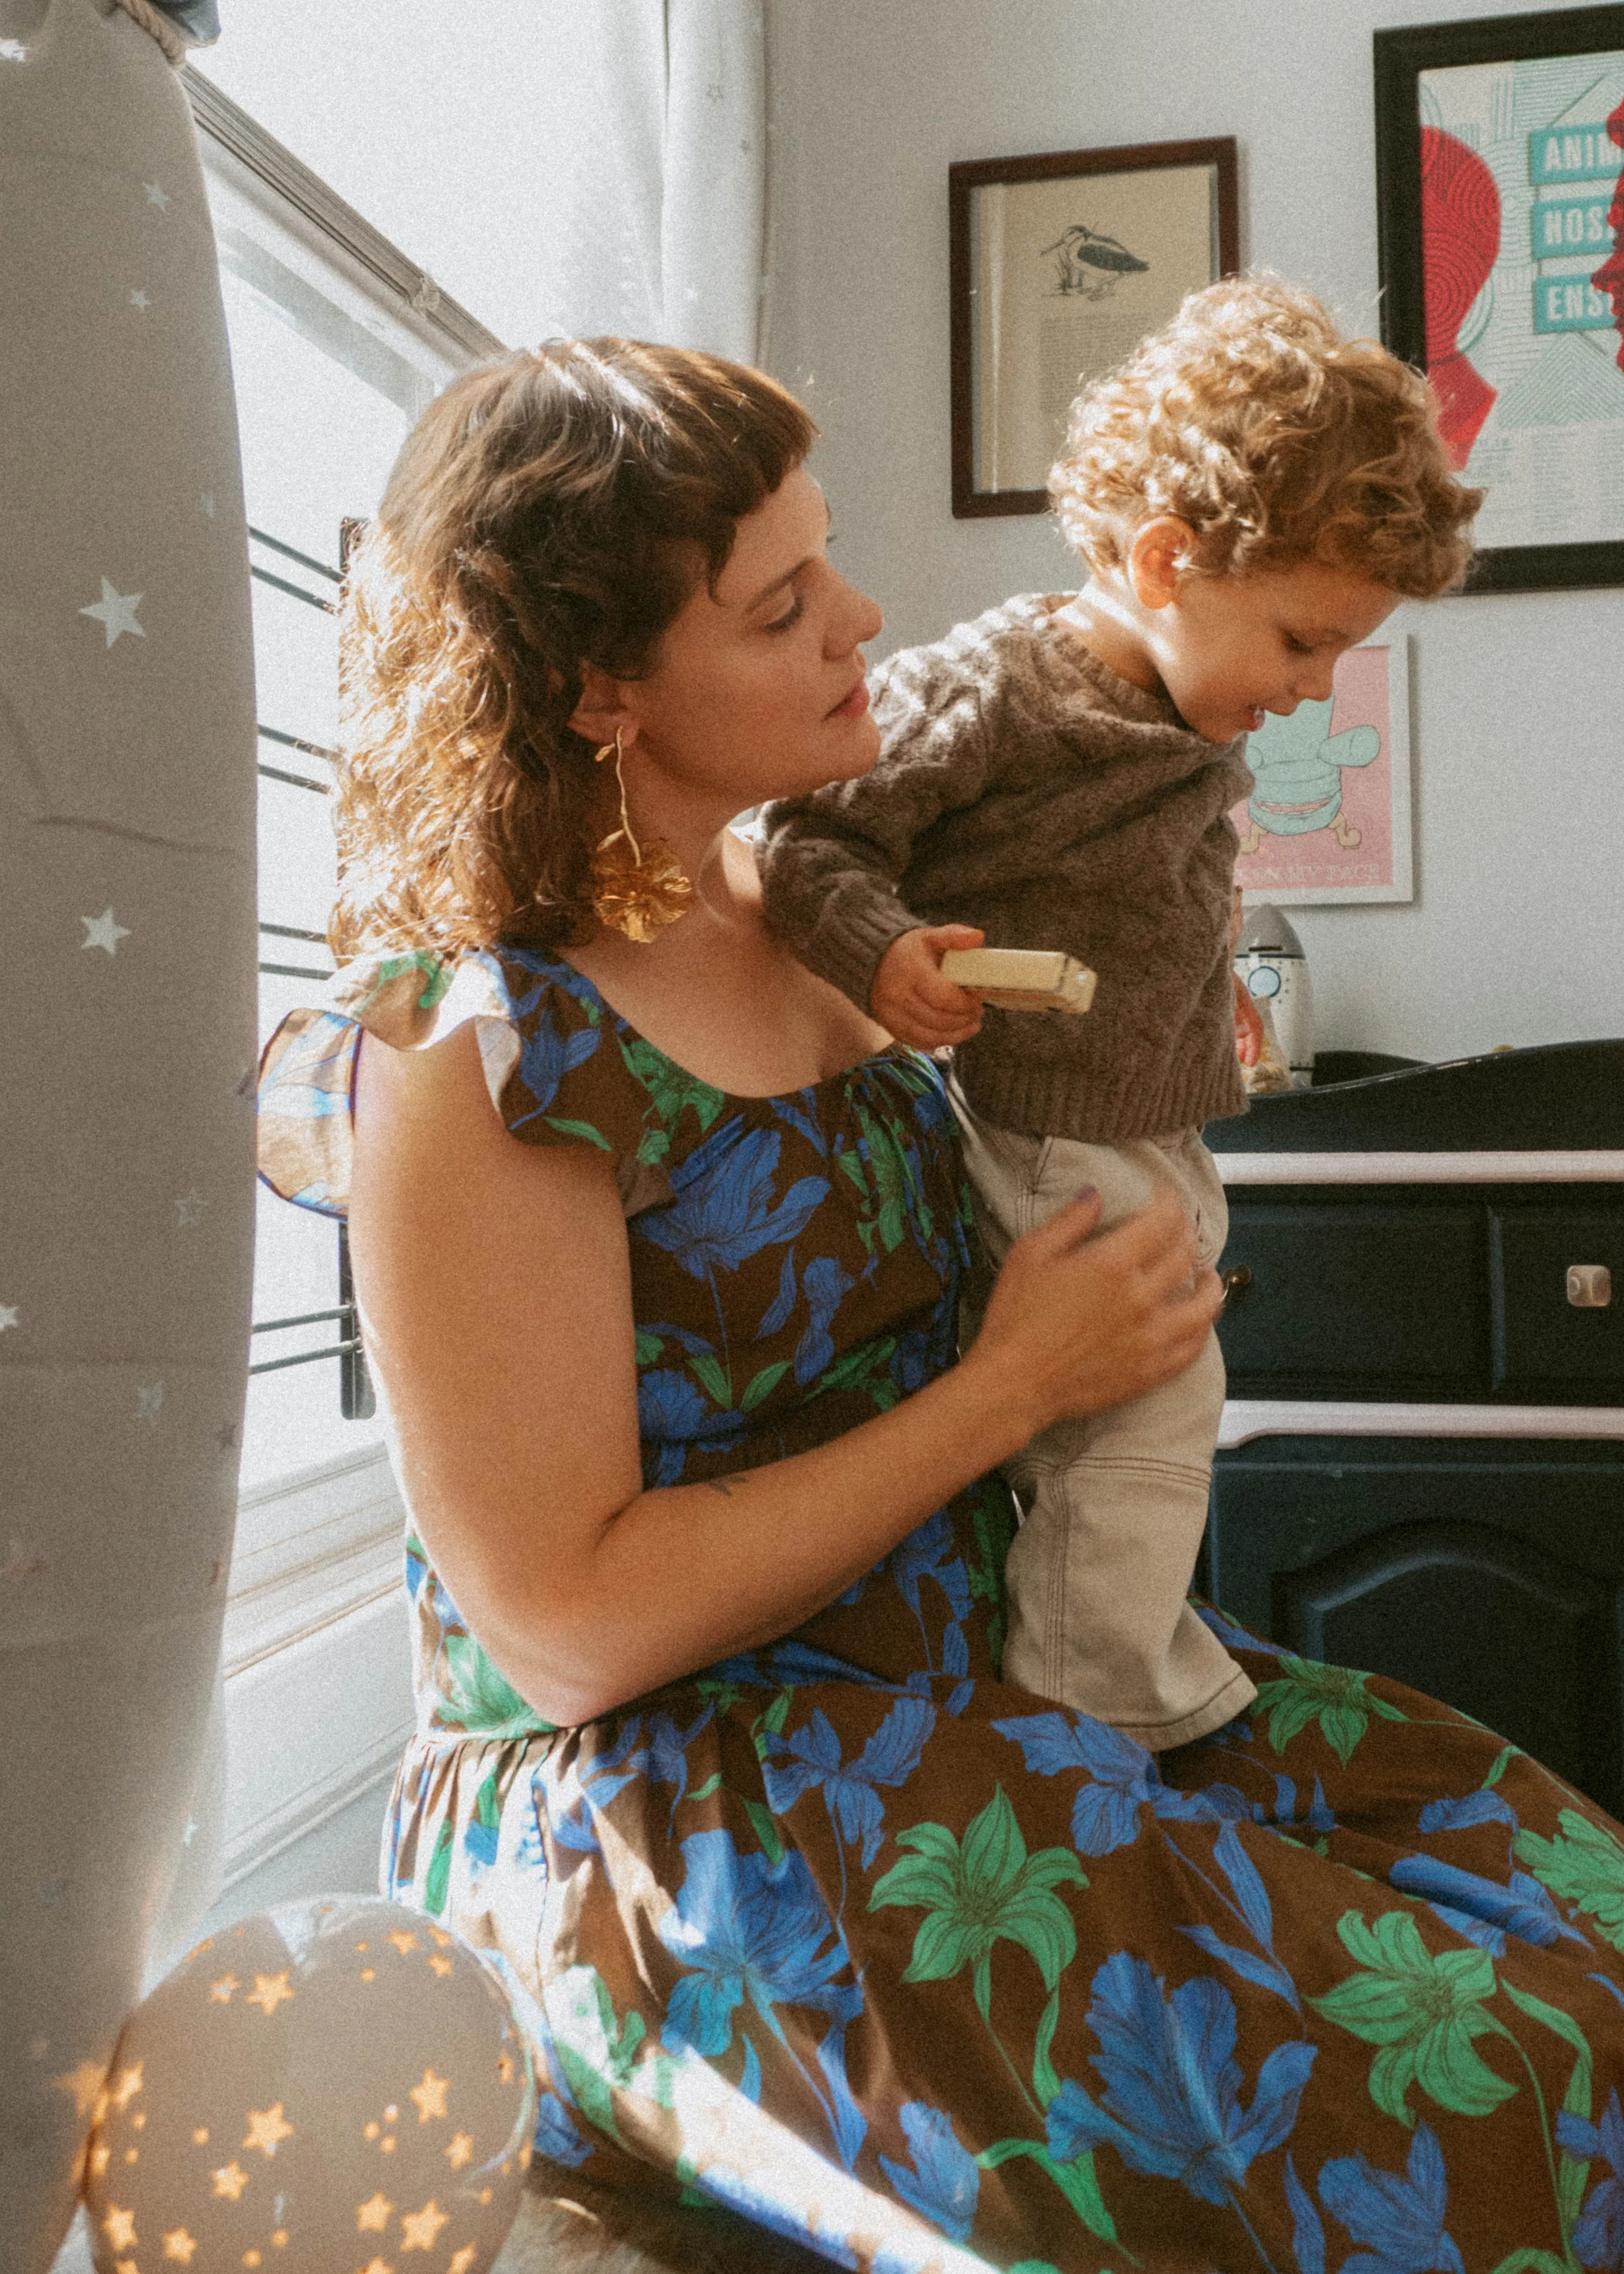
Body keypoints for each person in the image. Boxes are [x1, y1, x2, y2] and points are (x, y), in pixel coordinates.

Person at [259, 337, 1624, 2270]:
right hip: (693, 1800)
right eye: (778, 604)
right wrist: (1008, 1388)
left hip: (971, 1674)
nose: (861, 617)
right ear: (594, 688)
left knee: (1572, 1930)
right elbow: (565, 1628)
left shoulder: (811, 909)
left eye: (827, 559)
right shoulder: (482, 1044)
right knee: (1478, 2117)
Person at [758, 277, 1482, 1763]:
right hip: (1040, 1128)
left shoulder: (1179, 712)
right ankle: (1090, 1713)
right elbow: (805, 837)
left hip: (1149, 1128)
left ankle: (1110, 1660)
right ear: (1164, 561)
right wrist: (880, 950)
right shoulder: (993, 687)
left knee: (1158, 1419)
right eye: (1300, 641)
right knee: (1134, 1426)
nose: (1313, 686)